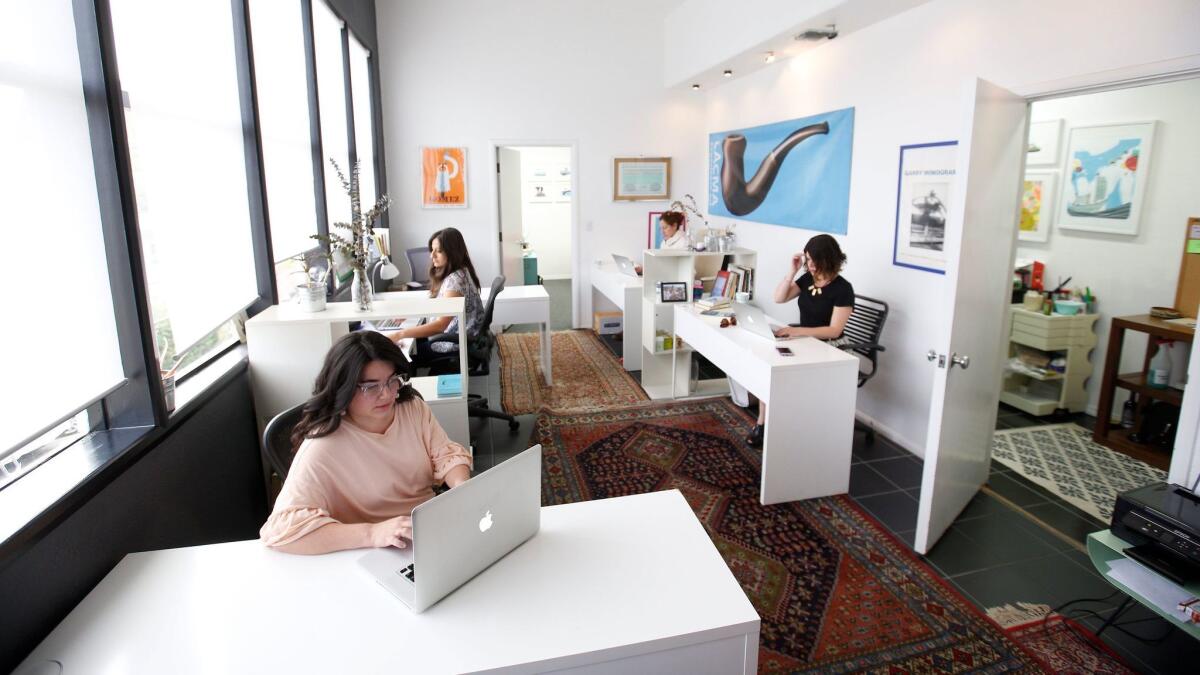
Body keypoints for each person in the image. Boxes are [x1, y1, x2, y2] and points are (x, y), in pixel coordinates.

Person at [260, 331, 472, 554]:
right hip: (377, 549)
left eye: (392, 381)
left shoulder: (412, 409)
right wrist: (372, 533)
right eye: (371, 387)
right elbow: (281, 531)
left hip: (430, 530)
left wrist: (462, 487)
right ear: (344, 388)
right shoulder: (323, 446)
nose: (387, 395)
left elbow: (446, 454)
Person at [739, 234, 854, 447]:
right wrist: (792, 271)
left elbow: (834, 330)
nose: (810, 265)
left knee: (778, 373)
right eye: (807, 259)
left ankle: (788, 429)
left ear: (828, 258)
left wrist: (799, 331)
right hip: (804, 339)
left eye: (814, 260)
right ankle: (763, 425)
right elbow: (779, 298)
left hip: (831, 346)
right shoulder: (809, 279)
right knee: (768, 369)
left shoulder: (842, 288)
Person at [384, 227, 485, 370]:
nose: (432, 256)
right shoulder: (460, 271)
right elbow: (439, 306)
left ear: (452, 252)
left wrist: (400, 334)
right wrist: (409, 314)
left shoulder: (455, 282)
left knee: (401, 354)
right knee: (410, 343)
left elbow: (440, 325)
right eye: (432, 250)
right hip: (459, 337)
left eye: (438, 251)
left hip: (453, 343)